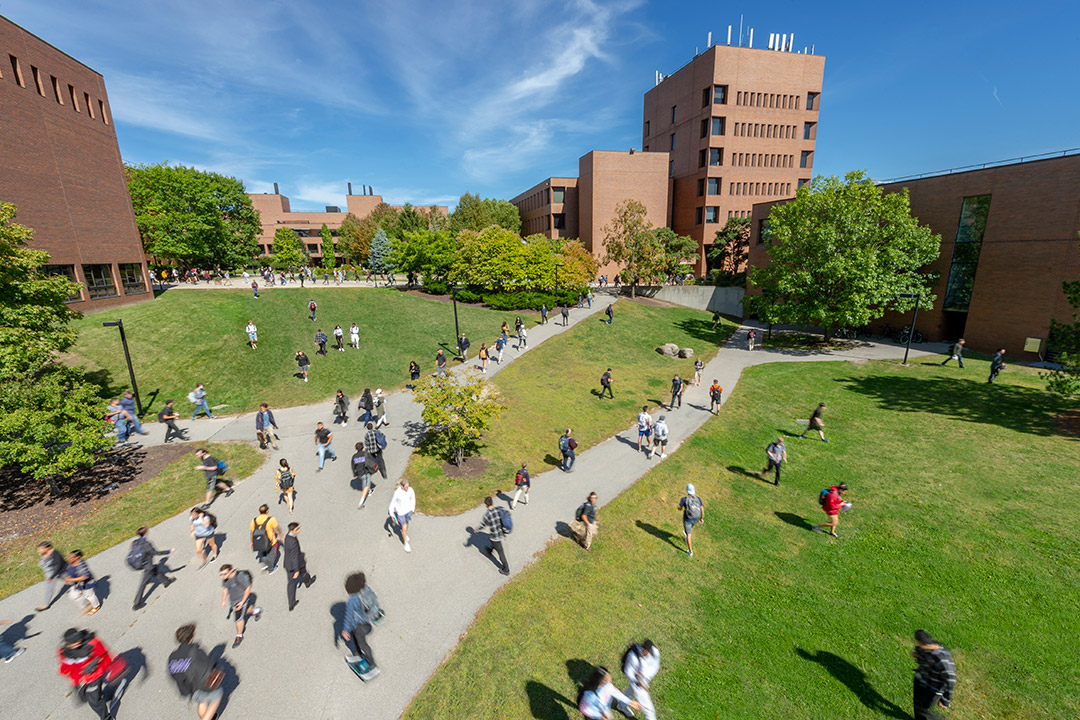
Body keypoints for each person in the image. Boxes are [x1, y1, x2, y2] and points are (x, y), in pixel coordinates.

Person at [57, 628, 119, 720]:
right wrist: (65, 671)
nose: (76, 644)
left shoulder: (91, 643)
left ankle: (107, 718)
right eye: (73, 643)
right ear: (67, 643)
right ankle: (102, 695)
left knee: (94, 701)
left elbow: (104, 654)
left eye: (78, 641)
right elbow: (66, 663)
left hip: (94, 675)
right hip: (81, 677)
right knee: (82, 697)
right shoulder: (64, 651)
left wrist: (99, 664)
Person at [167, 624, 224, 720]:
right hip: (201, 686)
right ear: (192, 638)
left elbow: (173, 675)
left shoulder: (172, 657)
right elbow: (208, 667)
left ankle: (211, 717)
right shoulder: (195, 651)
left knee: (202, 701)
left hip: (189, 690)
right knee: (217, 695)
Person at [341, 572, 381, 680]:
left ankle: (372, 664)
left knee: (362, 643)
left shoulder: (352, 600)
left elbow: (349, 617)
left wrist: (345, 630)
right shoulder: (366, 589)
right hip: (367, 621)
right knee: (356, 639)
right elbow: (374, 599)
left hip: (360, 625)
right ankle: (357, 653)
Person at [912, 630, 957, 720]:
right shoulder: (927, 649)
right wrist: (918, 655)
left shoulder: (942, 659)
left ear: (926, 644)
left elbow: (950, 680)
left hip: (932, 689)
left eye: (920, 644)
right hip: (921, 680)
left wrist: (945, 700)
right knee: (917, 703)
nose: (919, 646)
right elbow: (925, 659)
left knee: (922, 709)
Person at [130, 526, 175, 610]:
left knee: (156, 570)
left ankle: (166, 581)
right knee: (143, 584)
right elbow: (156, 552)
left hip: (143, 564)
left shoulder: (135, 542)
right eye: (147, 531)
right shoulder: (147, 544)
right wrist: (169, 551)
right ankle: (137, 604)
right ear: (145, 533)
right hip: (148, 566)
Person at [218, 565, 261, 648]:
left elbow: (248, 587)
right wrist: (223, 601)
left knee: (238, 619)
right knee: (245, 612)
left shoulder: (239, 576)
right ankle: (256, 611)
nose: (222, 576)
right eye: (221, 574)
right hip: (234, 601)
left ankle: (239, 636)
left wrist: (242, 602)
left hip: (241, 600)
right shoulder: (225, 579)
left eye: (224, 574)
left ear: (230, 571)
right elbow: (225, 589)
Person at [622, 641, 660, 720]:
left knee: (630, 691)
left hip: (644, 680)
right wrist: (637, 681)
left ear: (650, 651)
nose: (643, 653)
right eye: (643, 651)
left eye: (645, 652)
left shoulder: (655, 653)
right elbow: (627, 671)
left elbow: (655, 667)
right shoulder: (633, 656)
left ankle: (621, 705)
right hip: (636, 683)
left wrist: (644, 676)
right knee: (649, 710)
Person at [283, 523, 316, 611]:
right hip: (296, 564)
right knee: (303, 572)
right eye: (297, 529)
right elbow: (294, 557)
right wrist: (296, 570)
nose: (298, 531)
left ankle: (291, 603)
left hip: (288, 564)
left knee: (291, 583)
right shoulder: (293, 541)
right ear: (292, 530)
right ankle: (308, 582)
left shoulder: (287, 537)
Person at [478, 496, 510, 575]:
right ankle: (490, 551)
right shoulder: (498, 510)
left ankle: (506, 569)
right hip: (499, 533)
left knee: (501, 553)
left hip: (494, 537)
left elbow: (483, 525)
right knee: (495, 545)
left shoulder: (487, 515)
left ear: (486, 505)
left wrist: (476, 530)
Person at [64, 550, 101, 617]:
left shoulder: (81, 565)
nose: (69, 558)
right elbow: (70, 572)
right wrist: (69, 579)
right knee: (73, 595)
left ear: (78, 557)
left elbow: (85, 577)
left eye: (72, 557)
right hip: (78, 584)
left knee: (90, 596)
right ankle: (87, 604)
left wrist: (71, 579)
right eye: (69, 557)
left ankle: (96, 606)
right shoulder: (71, 564)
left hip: (87, 585)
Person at [37, 541, 68, 611]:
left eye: (40, 549)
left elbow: (59, 565)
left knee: (74, 582)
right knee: (49, 588)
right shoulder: (45, 555)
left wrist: (52, 576)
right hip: (53, 574)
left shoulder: (55, 553)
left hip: (61, 571)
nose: (38, 551)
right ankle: (46, 604)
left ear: (47, 548)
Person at [250, 504, 280, 574]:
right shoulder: (271, 519)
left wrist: (252, 542)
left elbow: (252, 532)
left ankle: (264, 562)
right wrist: (280, 534)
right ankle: (270, 569)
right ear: (267, 511)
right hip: (271, 541)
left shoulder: (254, 520)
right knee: (272, 555)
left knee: (263, 552)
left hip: (260, 541)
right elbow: (277, 528)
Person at [387, 478, 415, 552]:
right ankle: (406, 543)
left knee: (407, 523)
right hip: (401, 512)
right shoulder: (397, 493)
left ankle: (405, 534)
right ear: (401, 486)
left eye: (408, 486)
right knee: (404, 527)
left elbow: (413, 499)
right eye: (406, 487)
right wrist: (392, 513)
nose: (407, 488)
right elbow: (392, 503)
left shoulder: (410, 490)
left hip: (408, 511)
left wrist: (412, 508)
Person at [677, 485, 703, 557]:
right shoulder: (698, 499)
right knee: (690, 529)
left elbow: (680, 508)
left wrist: (679, 508)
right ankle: (687, 534)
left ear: (687, 490)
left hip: (687, 519)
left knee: (689, 535)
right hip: (696, 518)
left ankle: (690, 551)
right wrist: (702, 518)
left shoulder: (684, 499)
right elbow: (702, 508)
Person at [352, 442, 377, 509]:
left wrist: (355, 474)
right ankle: (361, 502)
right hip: (366, 472)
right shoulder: (365, 454)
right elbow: (372, 460)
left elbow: (353, 466)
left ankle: (369, 491)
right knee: (366, 486)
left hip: (360, 474)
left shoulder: (354, 456)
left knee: (366, 483)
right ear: (362, 447)